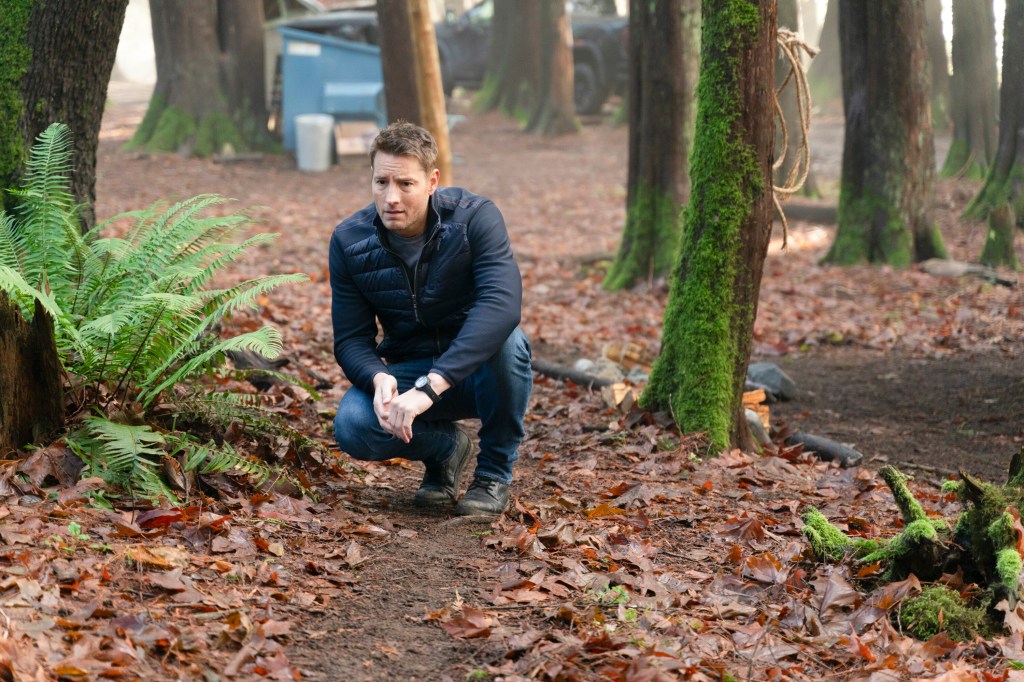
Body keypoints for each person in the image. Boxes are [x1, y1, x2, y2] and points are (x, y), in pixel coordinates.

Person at [329, 121, 532, 516]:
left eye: (405, 184)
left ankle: (493, 475)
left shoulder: (475, 219)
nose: (391, 197)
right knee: (352, 424)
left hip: (477, 370)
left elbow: (502, 305)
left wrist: (432, 385)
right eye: (381, 182)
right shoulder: (349, 241)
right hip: (410, 367)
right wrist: (378, 377)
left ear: (432, 181)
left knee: (508, 343)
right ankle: (446, 449)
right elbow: (351, 339)